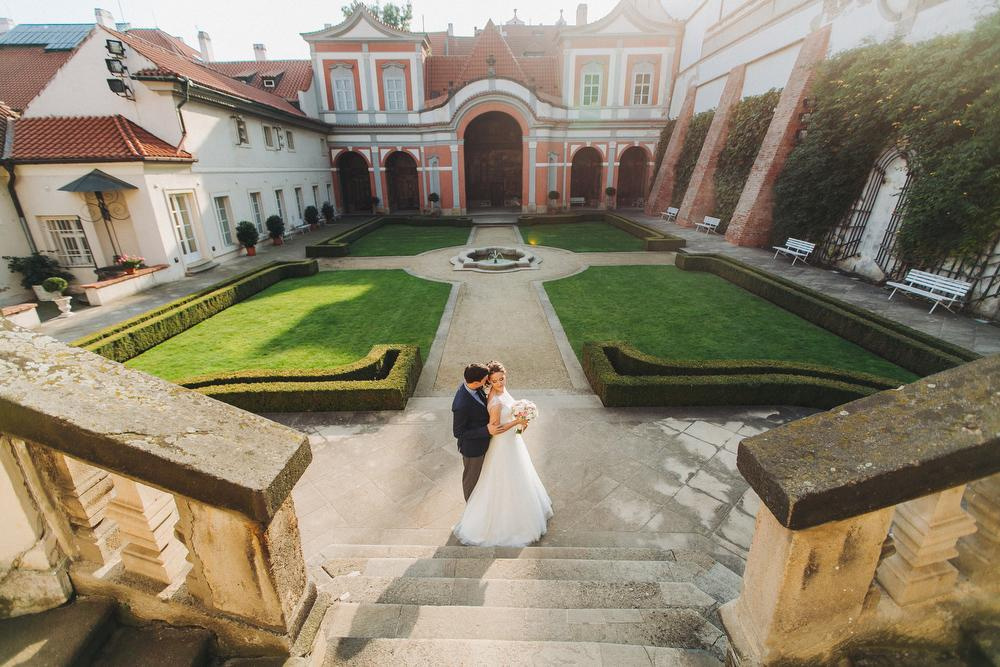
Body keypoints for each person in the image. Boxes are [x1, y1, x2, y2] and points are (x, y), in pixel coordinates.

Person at [453, 361, 553, 547]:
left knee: (519, 476)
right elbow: (496, 428)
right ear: (486, 382)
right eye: (495, 380)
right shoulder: (494, 401)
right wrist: (517, 422)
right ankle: (480, 515)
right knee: (499, 481)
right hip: (500, 444)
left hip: (512, 442)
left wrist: (521, 422)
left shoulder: (497, 392)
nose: (500, 383)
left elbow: (510, 415)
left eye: (502, 378)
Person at [452, 362, 520, 501]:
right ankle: (471, 509)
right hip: (473, 449)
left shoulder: (473, 385)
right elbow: (458, 432)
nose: (487, 382)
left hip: (487, 442)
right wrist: (486, 429)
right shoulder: (461, 404)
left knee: (485, 478)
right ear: (476, 382)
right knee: (472, 480)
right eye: (485, 380)